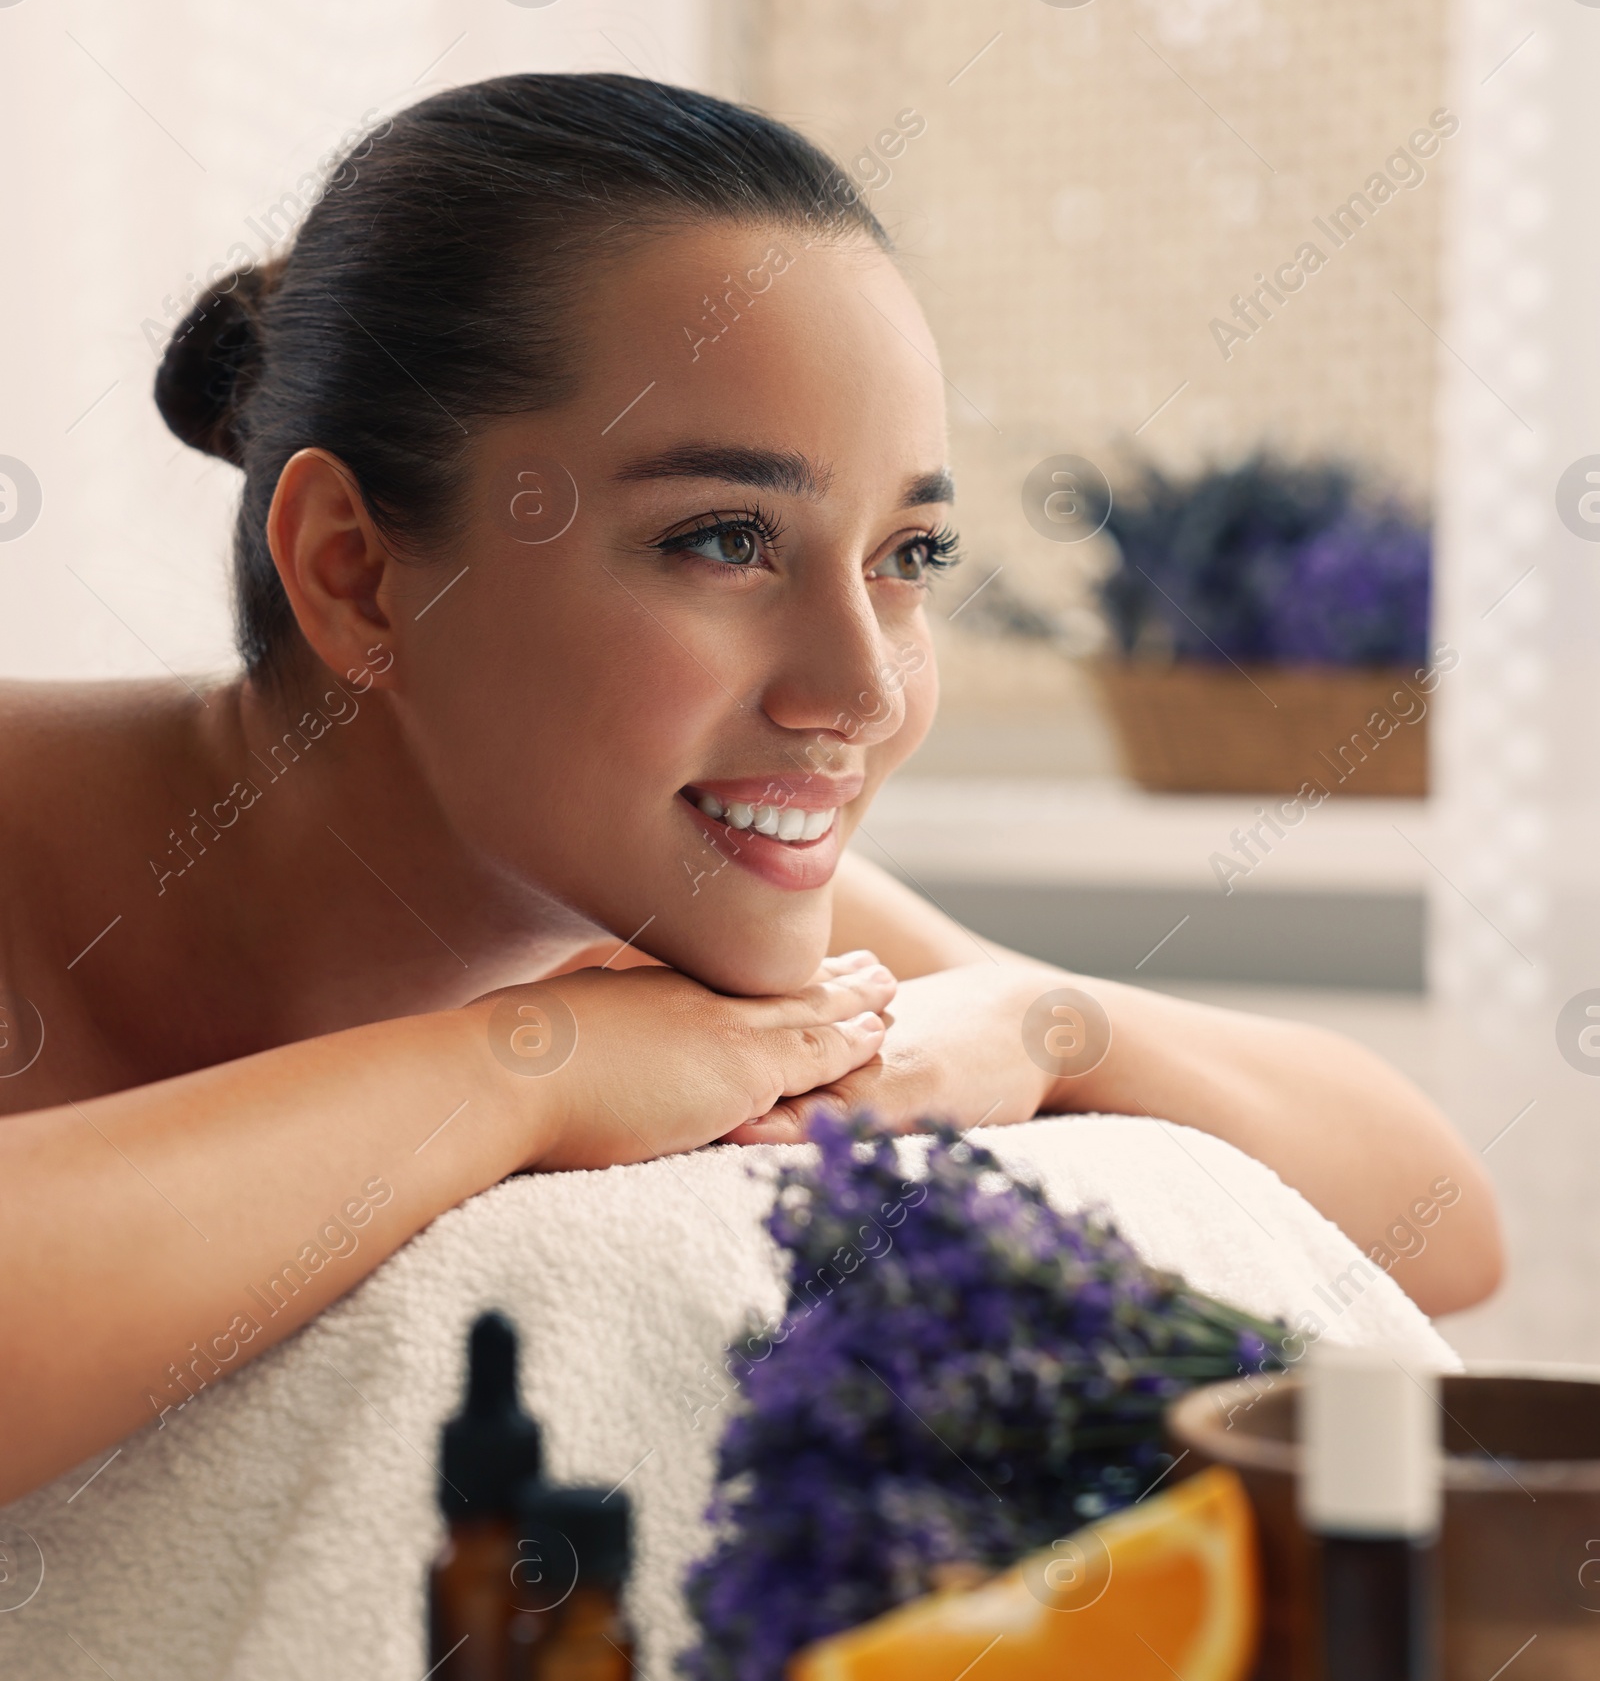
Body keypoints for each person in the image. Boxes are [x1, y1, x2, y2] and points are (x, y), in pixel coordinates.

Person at [0, 74, 1500, 1504]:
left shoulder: (677, 892)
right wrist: (527, 1068)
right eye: (724, 539)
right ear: (358, 570)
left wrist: (1053, 1027)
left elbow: (1439, 1223)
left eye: (907, 560)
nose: (861, 694)